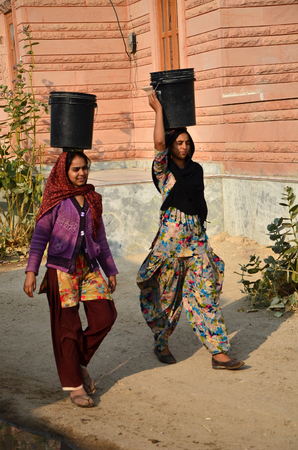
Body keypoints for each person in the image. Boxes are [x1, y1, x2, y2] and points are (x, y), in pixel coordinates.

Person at [136, 91, 244, 370]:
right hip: (170, 245)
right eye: (179, 143)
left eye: (187, 142)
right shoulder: (163, 171)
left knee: (205, 297)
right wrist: (158, 109)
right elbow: (159, 141)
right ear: (171, 146)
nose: (183, 147)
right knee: (167, 299)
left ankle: (219, 353)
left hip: (196, 242)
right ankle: (161, 342)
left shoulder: (196, 170)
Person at [24, 150, 118, 408]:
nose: (81, 173)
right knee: (68, 328)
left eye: (84, 168)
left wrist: (109, 269)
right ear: (64, 172)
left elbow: (100, 239)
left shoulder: (92, 199)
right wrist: (31, 271)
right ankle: (75, 385)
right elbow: (39, 238)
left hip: (88, 268)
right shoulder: (54, 200)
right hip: (61, 271)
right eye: (76, 169)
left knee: (106, 316)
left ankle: (78, 362)